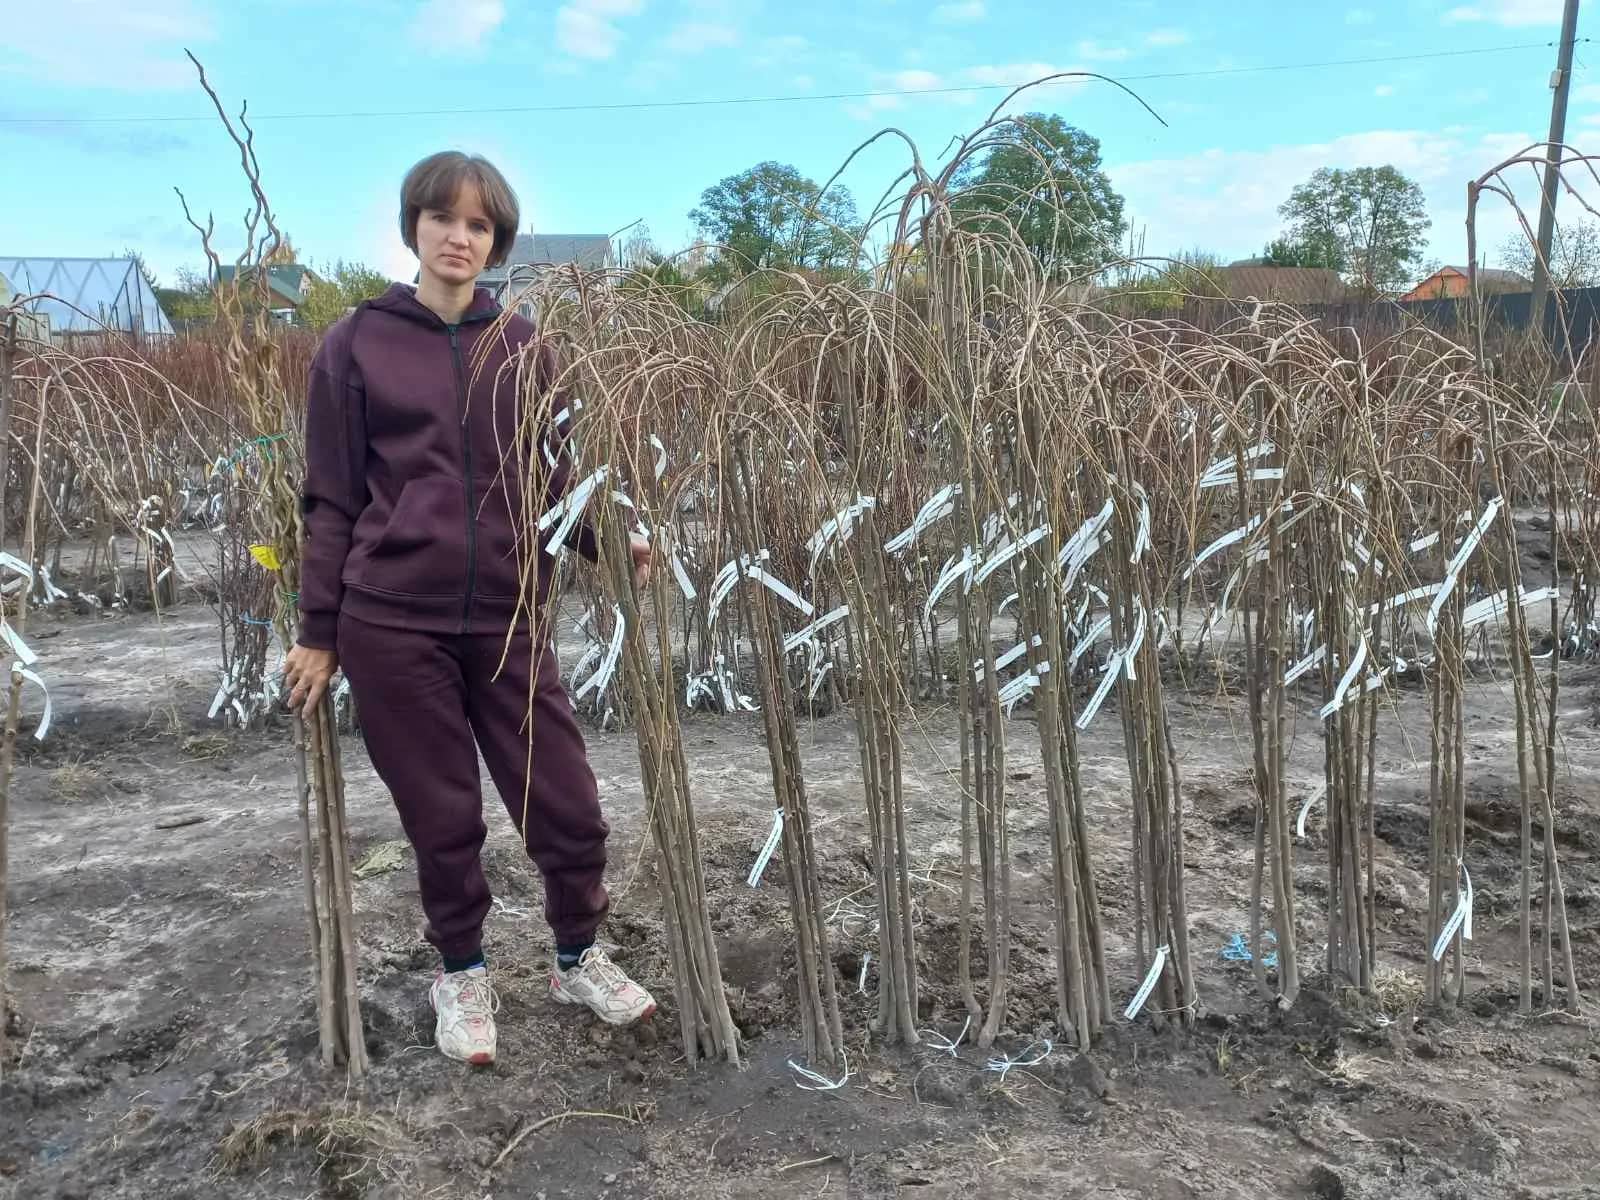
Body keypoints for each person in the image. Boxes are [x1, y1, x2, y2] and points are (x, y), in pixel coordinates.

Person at [282, 151, 655, 1067]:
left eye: (479, 224)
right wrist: (319, 633)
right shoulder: (356, 344)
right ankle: (461, 973)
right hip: (391, 621)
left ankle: (577, 956)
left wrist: (610, 539)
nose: (458, 236)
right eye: (442, 218)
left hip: (507, 613)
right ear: (412, 225)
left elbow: (555, 479)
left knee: (567, 803)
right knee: (443, 817)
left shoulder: (525, 348)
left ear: (498, 242)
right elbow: (330, 497)